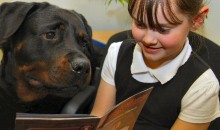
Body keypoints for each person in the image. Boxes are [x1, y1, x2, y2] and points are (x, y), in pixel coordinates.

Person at [91, 0, 220, 129]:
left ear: (197, 19)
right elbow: (99, 120)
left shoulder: (203, 87)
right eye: (140, 24)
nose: (148, 40)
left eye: (163, 30)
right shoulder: (117, 54)